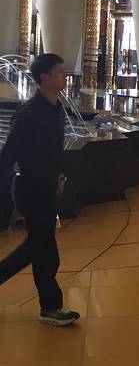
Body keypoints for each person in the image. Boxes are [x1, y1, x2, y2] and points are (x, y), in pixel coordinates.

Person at [0, 53, 80, 326]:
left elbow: (55, 150)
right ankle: (51, 307)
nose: (65, 76)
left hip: (45, 187)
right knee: (41, 249)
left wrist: (60, 175)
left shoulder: (56, 108)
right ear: (45, 76)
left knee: (40, 248)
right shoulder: (29, 113)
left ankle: (50, 307)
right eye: (59, 72)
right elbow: (9, 153)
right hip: (30, 189)